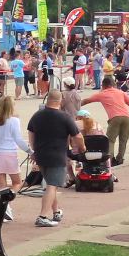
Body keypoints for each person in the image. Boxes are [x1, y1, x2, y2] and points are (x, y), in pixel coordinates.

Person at [27, 90, 85, 227]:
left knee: (49, 184)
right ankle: (42, 216)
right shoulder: (64, 117)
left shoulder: (37, 115)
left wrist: (33, 150)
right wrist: (82, 148)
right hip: (57, 156)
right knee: (52, 186)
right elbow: (77, 136)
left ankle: (56, 211)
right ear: (60, 101)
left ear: (47, 100)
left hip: (41, 155)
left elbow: (31, 132)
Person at [0, 96, 32, 220]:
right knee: (17, 182)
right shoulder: (14, 120)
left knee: (1, 184)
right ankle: (6, 203)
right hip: (9, 153)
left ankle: (1, 209)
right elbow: (18, 139)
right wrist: (30, 151)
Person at [81, 77, 129, 166]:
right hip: (126, 117)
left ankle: (110, 160)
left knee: (110, 140)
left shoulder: (102, 94)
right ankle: (120, 159)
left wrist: (75, 105)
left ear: (103, 85)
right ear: (112, 84)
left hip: (115, 118)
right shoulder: (121, 92)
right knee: (123, 139)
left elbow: (86, 101)